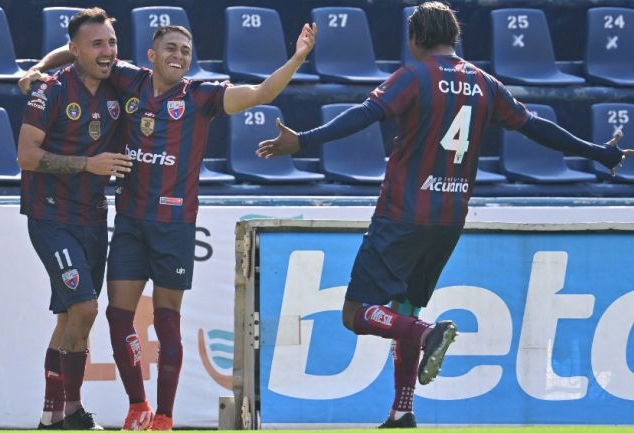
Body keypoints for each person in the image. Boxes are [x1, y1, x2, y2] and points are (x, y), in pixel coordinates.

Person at [256, 1, 631, 429]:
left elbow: (364, 114)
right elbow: (536, 127)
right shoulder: (485, 82)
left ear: (414, 40)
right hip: (449, 219)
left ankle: (425, 333)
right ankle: (402, 410)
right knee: (407, 305)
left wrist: (302, 141)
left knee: (356, 313)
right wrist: (597, 152)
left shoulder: (413, 76)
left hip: (402, 214)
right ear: (454, 38)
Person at [21, 21, 317, 431]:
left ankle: (163, 415)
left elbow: (262, 93)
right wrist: (36, 71)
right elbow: (78, 53)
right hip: (128, 221)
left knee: (166, 320)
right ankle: (134, 406)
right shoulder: (128, 79)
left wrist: (298, 57)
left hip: (175, 225)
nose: (179, 56)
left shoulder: (201, 95)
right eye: (171, 49)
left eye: (185, 51)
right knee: (114, 316)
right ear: (152, 55)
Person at [17, 8, 133, 430]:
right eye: (97, 44)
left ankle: (52, 415)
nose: (107, 52)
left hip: (93, 217)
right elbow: (26, 156)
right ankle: (74, 413)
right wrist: (89, 164)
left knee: (72, 317)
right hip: (50, 216)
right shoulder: (48, 91)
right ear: (75, 51)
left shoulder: (119, 83)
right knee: (84, 309)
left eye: (112, 43)